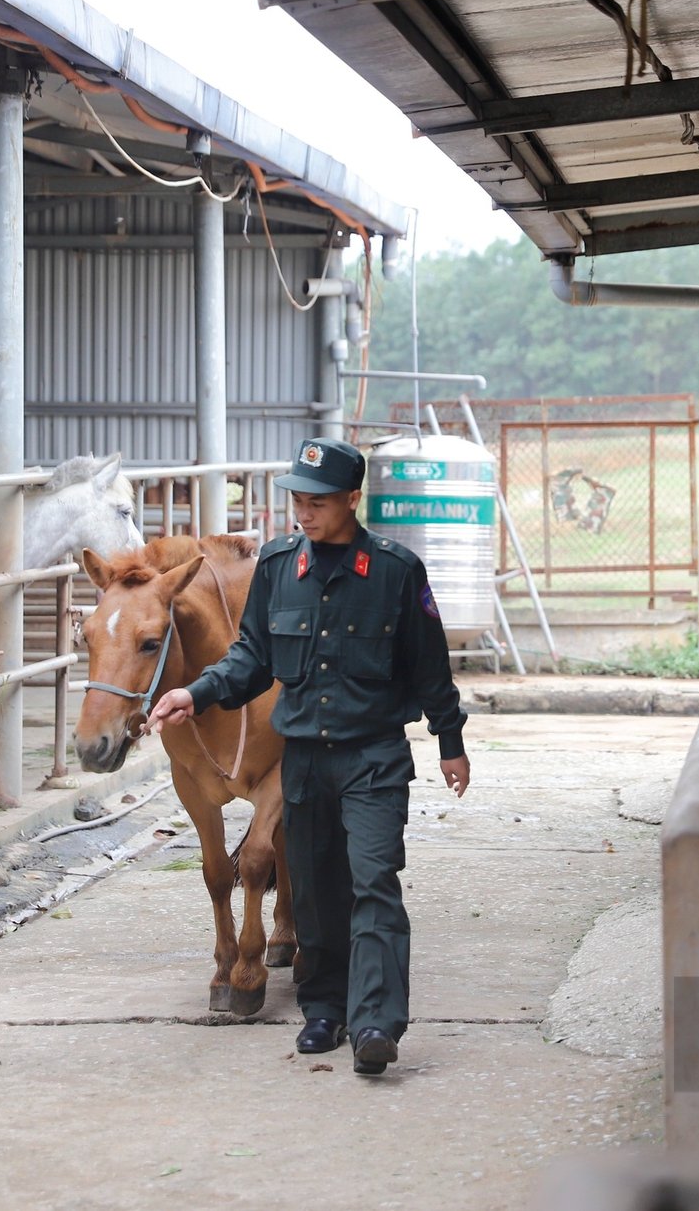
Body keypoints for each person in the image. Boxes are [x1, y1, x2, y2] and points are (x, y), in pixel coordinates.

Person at [148, 436, 470, 1077]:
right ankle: (323, 1009)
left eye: (318, 500)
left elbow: (430, 666)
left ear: (353, 499)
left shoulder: (396, 571)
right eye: (298, 498)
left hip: (374, 757)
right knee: (317, 892)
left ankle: (377, 1020)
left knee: (373, 882)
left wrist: (450, 741)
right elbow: (251, 658)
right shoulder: (276, 569)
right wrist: (196, 691)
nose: (305, 511)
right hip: (305, 760)